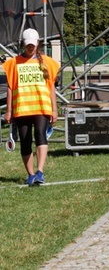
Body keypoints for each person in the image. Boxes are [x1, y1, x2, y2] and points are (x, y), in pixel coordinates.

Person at [3, 28, 60, 186]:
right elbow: (10, 87)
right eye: (28, 45)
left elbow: (51, 88)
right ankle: (30, 174)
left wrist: (54, 109)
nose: (30, 47)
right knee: (25, 141)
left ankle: (40, 171)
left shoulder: (47, 62)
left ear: (38, 44)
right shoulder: (14, 63)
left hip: (42, 107)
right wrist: (9, 111)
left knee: (40, 135)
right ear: (23, 44)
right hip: (22, 108)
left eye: (33, 45)